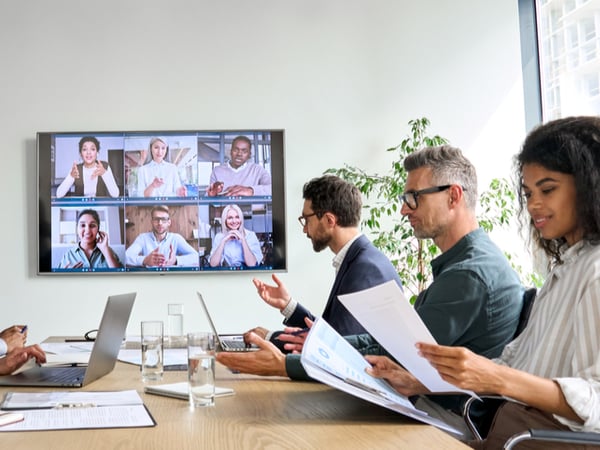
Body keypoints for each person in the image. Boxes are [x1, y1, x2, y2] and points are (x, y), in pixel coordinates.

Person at [217, 148, 523, 415]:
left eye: (413, 198)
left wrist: (287, 363)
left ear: (454, 196)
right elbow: (387, 343)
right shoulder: (462, 266)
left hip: (440, 417)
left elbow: (398, 356)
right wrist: (310, 343)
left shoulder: (468, 274)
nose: (404, 209)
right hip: (425, 405)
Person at [368, 116, 600, 448]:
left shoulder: (594, 271)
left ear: (590, 186)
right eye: (528, 192)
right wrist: (422, 382)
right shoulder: (565, 267)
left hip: (535, 440)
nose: (533, 204)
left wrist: (496, 377)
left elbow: (596, 402)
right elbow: (511, 364)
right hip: (509, 432)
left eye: (547, 189)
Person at [217, 174, 403, 361]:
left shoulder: (365, 268)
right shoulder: (359, 259)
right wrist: (288, 305)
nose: (305, 229)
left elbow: (337, 349)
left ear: (330, 220)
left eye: (306, 219)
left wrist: (269, 338)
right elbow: (332, 334)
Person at [125, 205, 199, 268]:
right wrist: (145, 260)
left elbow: (196, 257)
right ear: (151, 221)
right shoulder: (142, 238)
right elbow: (126, 256)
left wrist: (176, 260)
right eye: (156, 219)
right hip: (149, 279)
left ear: (169, 222)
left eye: (163, 219)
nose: (160, 223)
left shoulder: (176, 238)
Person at [206, 135, 271, 197]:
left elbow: (272, 189)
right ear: (230, 152)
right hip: (224, 208)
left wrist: (251, 190)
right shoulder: (217, 171)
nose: (239, 154)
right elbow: (209, 196)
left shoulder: (258, 170)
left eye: (244, 151)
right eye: (236, 150)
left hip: (252, 209)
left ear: (249, 154)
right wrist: (212, 195)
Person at [58, 209, 122, 269]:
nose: (88, 230)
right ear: (77, 229)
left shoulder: (108, 251)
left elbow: (120, 277)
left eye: (92, 225)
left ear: (98, 229)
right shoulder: (68, 255)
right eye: (83, 225)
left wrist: (105, 249)